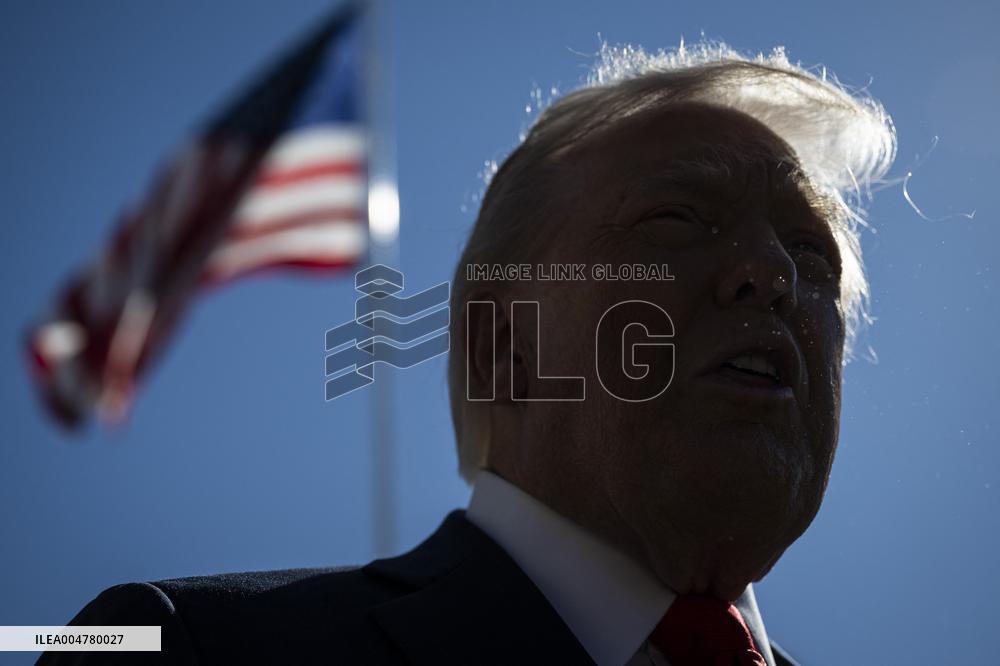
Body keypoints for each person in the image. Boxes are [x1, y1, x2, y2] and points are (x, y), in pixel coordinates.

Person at [40, 40, 895, 666]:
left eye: (810, 253)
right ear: (502, 347)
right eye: (676, 219)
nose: (771, 275)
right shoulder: (179, 653)